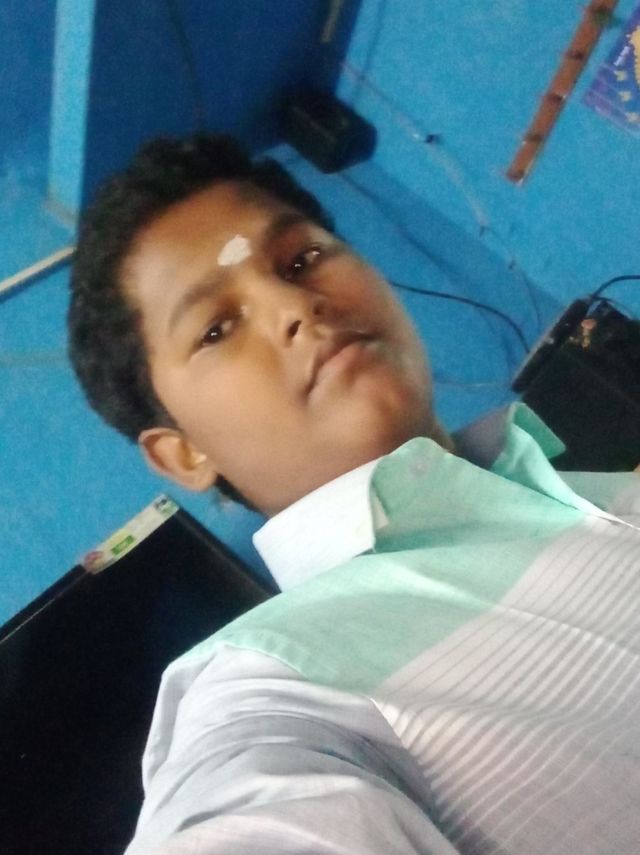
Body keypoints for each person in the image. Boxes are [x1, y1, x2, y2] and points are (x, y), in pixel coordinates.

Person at [68, 135, 640, 854]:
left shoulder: (595, 492)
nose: (294, 304)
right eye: (216, 328)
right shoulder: (277, 697)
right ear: (183, 452)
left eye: (300, 260)